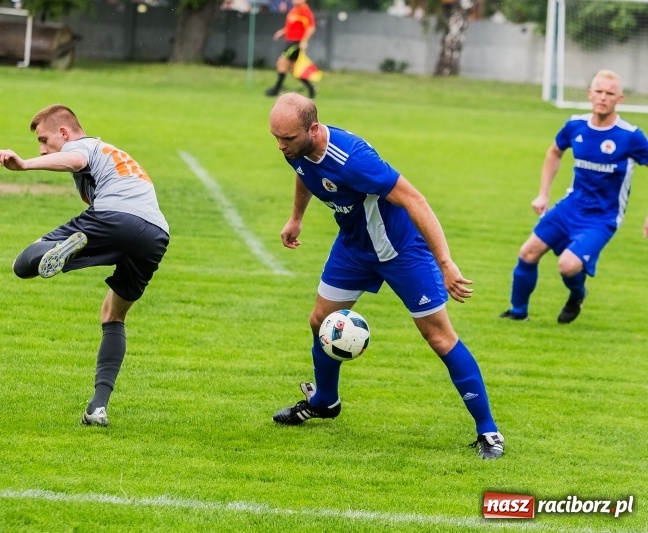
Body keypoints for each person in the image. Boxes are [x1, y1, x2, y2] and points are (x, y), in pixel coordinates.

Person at [268, 93, 504, 460]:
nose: (281, 147)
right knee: (320, 320)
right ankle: (326, 402)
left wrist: (446, 263)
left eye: (288, 139)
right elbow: (305, 173)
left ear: (312, 129)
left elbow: (416, 201)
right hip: (353, 247)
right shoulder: (296, 149)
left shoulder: (355, 160)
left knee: (439, 338)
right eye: (276, 138)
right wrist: (296, 217)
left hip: (400, 250)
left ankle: (489, 431)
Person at [0, 104, 170, 427]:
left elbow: (76, 158)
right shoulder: (114, 156)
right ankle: (97, 408)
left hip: (115, 217)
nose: (43, 149)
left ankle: (61, 251)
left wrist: (26, 164)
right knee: (112, 315)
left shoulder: (84, 146)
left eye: (45, 140)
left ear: (64, 133)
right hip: (155, 234)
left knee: (22, 263)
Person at [500, 70, 648, 324]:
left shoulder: (630, 136)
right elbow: (554, 153)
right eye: (598, 91)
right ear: (590, 94)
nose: (603, 97)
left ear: (619, 99)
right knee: (528, 253)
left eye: (609, 93)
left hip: (603, 217)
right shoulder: (575, 126)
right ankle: (517, 313)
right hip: (570, 206)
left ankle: (577, 294)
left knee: (568, 266)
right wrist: (543, 194)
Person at [264, 0, 317, 99]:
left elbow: (311, 28)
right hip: (290, 41)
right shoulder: (294, 9)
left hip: (296, 42)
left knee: (281, 62)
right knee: (293, 69)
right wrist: (282, 31)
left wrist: (304, 41)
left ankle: (276, 89)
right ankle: (311, 89)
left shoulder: (305, 11)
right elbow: (293, 25)